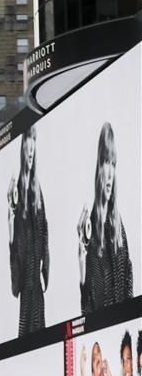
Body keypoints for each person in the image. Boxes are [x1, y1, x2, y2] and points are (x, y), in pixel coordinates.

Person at [79, 122, 132, 314]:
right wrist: (81, 260)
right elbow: (88, 310)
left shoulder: (119, 226)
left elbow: (128, 283)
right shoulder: (91, 226)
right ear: (98, 166)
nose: (110, 174)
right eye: (105, 162)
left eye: (113, 164)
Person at [8, 125, 49, 336]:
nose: (30, 156)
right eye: (28, 153)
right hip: (26, 284)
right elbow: (16, 246)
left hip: (37, 284)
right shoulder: (18, 189)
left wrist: (43, 268)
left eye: (33, 153)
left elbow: (44, 231)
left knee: (39, 330)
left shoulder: (37, 188)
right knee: (25, 332)